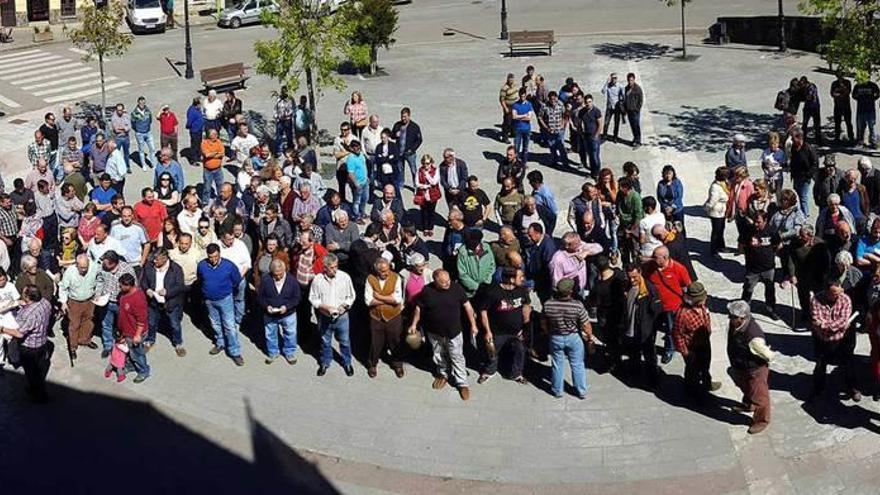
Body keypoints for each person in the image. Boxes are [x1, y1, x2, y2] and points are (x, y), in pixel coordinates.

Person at [409, 270, 478, 401]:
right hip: (434, 332)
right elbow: (419, 308)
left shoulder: (456, 288)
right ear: (435, 281)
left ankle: (462, 382)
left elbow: (468, 306)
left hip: (454, 332)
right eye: (443, 282)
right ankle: (443, 374)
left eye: (448, 281)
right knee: (438, 354)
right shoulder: (427, 291)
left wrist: (473, 325)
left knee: (457, 356)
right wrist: (414, 324)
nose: (447, 284)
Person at [726, 300, 774, 434]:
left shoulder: (754, 337)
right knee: (745, 386)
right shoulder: (736, 325)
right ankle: (749, 404)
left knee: (760, 397)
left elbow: (768, 355)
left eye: (733, 317)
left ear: (743, 318)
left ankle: (761, 420)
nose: (730, 319)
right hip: (740, 366)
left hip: (754, 370)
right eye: (730, 315)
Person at [0, 284, 53, 402]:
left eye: (24, 294)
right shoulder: (45, 302)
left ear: (28, 297)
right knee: (38, 368)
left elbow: (19, 334)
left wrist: (2, 329)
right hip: (42, 342)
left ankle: (40, 396)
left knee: (32, 372)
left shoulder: (29, 314)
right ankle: (36, 388)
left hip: (30, 347)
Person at [810, 278, 859, 401]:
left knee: (848, 364)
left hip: (841, 339)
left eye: (839, 292)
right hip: (822, 339)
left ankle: (851, 388)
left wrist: (824, 325)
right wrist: (834, 326)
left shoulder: (845, 299)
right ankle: (818, 388)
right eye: (834, 294)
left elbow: (843, 321)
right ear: (826, 292)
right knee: (820, 364)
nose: (838, 295)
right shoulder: (815, 300)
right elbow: (816, 318)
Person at [542, 278, 591, 399]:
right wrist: (589, 337)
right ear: (570, 291)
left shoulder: (548, 304)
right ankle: (581, 391)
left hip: (555, 337)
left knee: (557, 364)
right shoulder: (577, 306)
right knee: (577, 364)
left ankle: (557, 390)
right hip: (573, 337)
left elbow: (543, 322)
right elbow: (586, 325)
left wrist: (548, 332)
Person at [309, 253, 356, 377]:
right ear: (325, 267)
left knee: (345, 341)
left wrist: (344, 306)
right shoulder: (318, 279)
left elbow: (351, 296)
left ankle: (347, 362)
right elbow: (313, 298)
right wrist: (324, 307)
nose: (335, 269)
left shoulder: (345, 277)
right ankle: (325, 362)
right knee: (325, 341)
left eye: (336, 266)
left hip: (342, 317)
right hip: (325, 317)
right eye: (332, 267)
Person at [198, 243, 244, 366]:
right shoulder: (202, 265)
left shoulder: (228, 266)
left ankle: (235, 351)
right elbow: (200, 279)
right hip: (209, 300)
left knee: (229, 326)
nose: (213, 260)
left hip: (225, 299)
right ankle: (220, 343)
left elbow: (237, 281)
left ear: (219, 254)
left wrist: (227, 290)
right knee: (215, 323)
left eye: (216, 256)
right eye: (211, 257)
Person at [644, 245, 691, 364]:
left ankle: (669, 349)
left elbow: (687, 285)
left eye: (656, 257)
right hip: (655, 305)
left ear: (665, 258)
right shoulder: (650, 266)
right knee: (652, 327)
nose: (653, 259)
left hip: (672, 306)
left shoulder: (678, 268)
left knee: (671, 330)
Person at [672, 282, 721, 396]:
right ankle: (692, 392)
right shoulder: (682, 314)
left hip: (704, 342)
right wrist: (686, 353)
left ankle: (707, 383)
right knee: (692, 371)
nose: (704, 300)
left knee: (705, 365)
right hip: (692, 348)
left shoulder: (701, 305)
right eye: (700, 299)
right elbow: (677, 334)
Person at [621, 263, 662, 385]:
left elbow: (657, 311)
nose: (632, 280)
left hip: (645, 331)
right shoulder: (626, 287)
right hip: (630, 329)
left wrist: (650, 328)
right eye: (629, 277)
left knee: (649, 356)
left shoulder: (649, 290)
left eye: (635, 277)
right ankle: (635, 374)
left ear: (640, 273)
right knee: (633, 355)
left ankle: (652, 379)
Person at [364, 257, 405, 378]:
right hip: (376, 317)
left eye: (387, 270)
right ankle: (372, 364)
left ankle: (397, 363)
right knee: (375, 342)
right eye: (382, 271)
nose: (386, 273)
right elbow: (368, 301)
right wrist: (388, 299)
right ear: (377, 270)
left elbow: (397, 299)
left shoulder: (395, 277)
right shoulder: (370, 279)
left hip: (394, 316)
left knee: (395, 341)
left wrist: (379, 297)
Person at [141, 248, 186, 356]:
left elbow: (180, 286)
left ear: (165, 259)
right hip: (153, 302)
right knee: (151, 323)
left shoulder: (176, 269)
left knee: (174, 324)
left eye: (157, 260)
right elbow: (143, 281)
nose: (154, 262)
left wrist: (168, 292)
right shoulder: (149, 267)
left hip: (170, 302)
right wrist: (147, 289)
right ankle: (150, 340)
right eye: (154, 260)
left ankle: (178, 343)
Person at [94, 250, 137, 357]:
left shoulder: (127, 270)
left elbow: (134, 287)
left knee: (124, 326)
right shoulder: (102, 267)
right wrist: (98, 294)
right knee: (106, 324)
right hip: (106, 301)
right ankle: (108, 346)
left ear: (114, 263)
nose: (104, 265)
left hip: (121, 303)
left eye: (107, 263)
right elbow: (100, 280)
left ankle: (125, 346)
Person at [259, 259, 301, 365]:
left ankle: (289, 352)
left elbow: (297, 298)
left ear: (284, 270)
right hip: (270, 314)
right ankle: (273, 352)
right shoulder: (265, 280)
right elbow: (260, 297)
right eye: (275, 275)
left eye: (280, 274)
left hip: (288, 313)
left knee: (290, 333)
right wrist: (266, 306)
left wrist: (286, 307)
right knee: (270, 334)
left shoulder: (292, 280)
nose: (278, 277)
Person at [739, 212, 781, 320]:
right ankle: (744, 310)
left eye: (759, 222)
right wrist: (749, 256)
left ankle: (770, 309)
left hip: (768, 268)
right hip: (753, 268)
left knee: (770, 289)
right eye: (755, 221)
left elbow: (778, 245)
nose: (756, 224)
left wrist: (770, 255)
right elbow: (741, 246)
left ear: (765, 221)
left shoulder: (771, 231)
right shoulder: (748, 231)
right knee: (748, 289)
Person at [58, 254, 98, 360]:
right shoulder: (70, 272)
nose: (84, 270)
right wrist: (63, 302)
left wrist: (98, 294)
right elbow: (63, 288)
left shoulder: (94, 267)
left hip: (89, 300)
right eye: (82, 268)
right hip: (75, 302)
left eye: (86, 267)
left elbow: (100, 279)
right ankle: (73, 347)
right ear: (76, 265)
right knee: (74, 325)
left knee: (88, 321)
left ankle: (85, 340)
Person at [116, 273, 150, 382]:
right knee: (130, 352)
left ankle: (144, 371)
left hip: (134, 333)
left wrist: (137, 335)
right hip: (126, 330)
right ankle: (130, 366)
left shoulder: (138, 299)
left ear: (128, 286)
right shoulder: (123, 294)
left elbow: (141, 320)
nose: (119, 288)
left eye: (121, 286)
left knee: (137, 354)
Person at [456, 228, 495, 299]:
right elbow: (462, 273)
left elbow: (492, 266)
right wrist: (476, 286)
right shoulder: (463, 251)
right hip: (469, 292)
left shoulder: (486, 247)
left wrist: (487, 281)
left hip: (486, 287)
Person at [789, 128, 819, 216]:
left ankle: (805, 215)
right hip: (796, 176)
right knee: (797, 196)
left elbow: (815, 163)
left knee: (803, 197)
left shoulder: (808, 149)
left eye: (793, 138)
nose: (791, 140)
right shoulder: (794, 147)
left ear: (799, 138)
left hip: (805, 178)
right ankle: (800, 213)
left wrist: (808, 175)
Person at [391, 108, 423, 189]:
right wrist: (395, 134)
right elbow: (392, 135)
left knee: (413, 170)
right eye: (402, 117)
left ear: (409, 116)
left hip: (410, 154)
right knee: (400, 170)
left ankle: (416, 186)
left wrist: (412, 149)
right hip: (399, 152)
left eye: (405, 117)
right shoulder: (397, 125)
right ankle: (401, 184)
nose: (403, 119)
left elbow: (419, 140)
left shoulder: (414, 127)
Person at [704, 167, 730, 260]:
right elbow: (712, 201)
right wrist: (707, 210)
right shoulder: (715, 187)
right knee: (716, 231)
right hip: (716, 212)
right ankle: (714, 250)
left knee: (721, 229)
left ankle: (721, 246)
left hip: (722, 211)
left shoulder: (724, 183)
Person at [538, 91, 568, 167]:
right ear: (549, 99)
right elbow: (540, 117)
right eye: (551, 99)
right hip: (550, 130)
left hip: (559, 130)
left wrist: (563, 124)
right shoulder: (545, 106)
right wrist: (545, 127)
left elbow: (565, 115)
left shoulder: (560, 105)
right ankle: (554, 161)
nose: (553, 101)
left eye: (555, 99)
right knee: (552, 147)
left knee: (561, 146)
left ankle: (565, 162)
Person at [577, 94, 603, 177]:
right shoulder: (582, 112)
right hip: (586, 136)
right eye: (587, 102)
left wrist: (596, 135)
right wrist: (581, 133)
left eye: (590, 102)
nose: (588, 104)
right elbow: (579, 123)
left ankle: (597, 173)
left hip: (594, 136)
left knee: (595, 156)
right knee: (590, 155)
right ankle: (593, 172)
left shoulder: (596, 111)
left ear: (592, 101)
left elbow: (600, 124)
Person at [852, 77, 880, 148]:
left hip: (870, 110)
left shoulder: (873, 85)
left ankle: (873, 142)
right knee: (860, 127)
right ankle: (860, 141)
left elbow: (878, 94)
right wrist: (859, 99)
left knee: (872, 127)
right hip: (860, 109)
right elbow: (853, 95)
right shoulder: (858, 86)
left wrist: (872, 99)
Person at [131, 96, 156, 170]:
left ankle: (152, 163)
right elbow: (133, 123)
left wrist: (147, 127)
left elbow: (150, 120)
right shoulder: (134, 113)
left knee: (152, 149)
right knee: (141, 150)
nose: (142, 104)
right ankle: (143, 165)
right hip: (140, 133)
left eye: (144, 103)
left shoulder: (147, 111)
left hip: (148, 132)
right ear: (138, 103)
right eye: (141, 103)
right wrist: (138, 130)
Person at [511, 87, 534, 163]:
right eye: (521, 96)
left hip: (526, 129)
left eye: (523, 96)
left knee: (525, 148)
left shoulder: (529, 104)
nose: (522, 98)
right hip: (518, 129)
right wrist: (524, 115)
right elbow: (514, 116)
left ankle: (524, 162)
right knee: (516, 147)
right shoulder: (515, 105)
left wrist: (519, 117)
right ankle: (516, 162)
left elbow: (529, 118)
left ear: (526, 95)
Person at [831, 72, 855, 143]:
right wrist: (839, 95)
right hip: (837, 106)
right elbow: (832, 93)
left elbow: (848, 92)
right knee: (837, 123)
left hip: (846, 106)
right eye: (838, 76)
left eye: (841, 76)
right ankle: (837, 138)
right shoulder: (834, 83)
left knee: (848, 122)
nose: (839, 77)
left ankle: (851, 137)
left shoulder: (847, 82)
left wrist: (843, 87)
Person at [600, 72, 625, 141]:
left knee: (616, 122)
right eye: (613, 78)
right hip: (609, 106)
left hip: (617, 107)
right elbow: (603, 91)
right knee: (606, 122)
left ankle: (615, 137)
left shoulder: (620, 86)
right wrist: (606, 82)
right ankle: (605, 135)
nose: (614, 80)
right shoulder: (608, 86)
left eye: (615, 78)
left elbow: (623, 96)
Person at [623, 72, 644, 147]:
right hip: (629, 111)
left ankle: (638, 141)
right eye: (629, 80)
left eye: (631, 80)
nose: (630, 82)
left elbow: (640, 100)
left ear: (634, 80)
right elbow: (625, 99)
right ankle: (635, 139)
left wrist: (637, 109)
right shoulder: (626, 88)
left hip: (635, 111)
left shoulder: (637, 89)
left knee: (636, 126)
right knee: (632, 126)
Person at [110, 104, 132, 171]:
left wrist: (122, 128)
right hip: (118, 138)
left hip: (126, 137)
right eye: (118, 110)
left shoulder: (126, 116)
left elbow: (129, 127)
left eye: (121, 110)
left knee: (126, 153)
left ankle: (127, 167)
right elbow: (116, 130)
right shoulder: (114, 118)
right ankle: (117, 167)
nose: (120, 112)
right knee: (116, 153)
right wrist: (124, 127)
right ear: (116, 110)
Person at [274, 86, 295, 154]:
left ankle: (290, 148)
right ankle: (279, 150)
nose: (283, 93)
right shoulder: (278, 99)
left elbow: (293, 109)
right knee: (279, 135)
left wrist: (288, 114)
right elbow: (275, 108)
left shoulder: (290, 99)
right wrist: (276, 116)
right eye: (282, 91)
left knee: (289, 135)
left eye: (285, 91)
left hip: (287, 120)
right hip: (280, 120)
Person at [499, 73, 518, 144]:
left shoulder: (515, 86)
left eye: (512, 79)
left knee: (514, 120)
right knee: (507, 122)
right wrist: (505, 108)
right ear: (507, 79)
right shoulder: (504, 88)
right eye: (510, 79)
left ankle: (513, 133)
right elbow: (502, 99)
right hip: (508, 106)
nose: (511, 80)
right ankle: (505, 137)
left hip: (515, 105)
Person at [185, 97, 204, 166]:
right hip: (194, 131)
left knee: (199, 144)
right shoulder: (192, 111)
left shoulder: (197, 109)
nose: (200, 106)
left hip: (199, 130)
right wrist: (188, 126)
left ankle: (198, 157)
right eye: (200, 104)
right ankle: (193, 160)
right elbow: (189, 122)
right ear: (197, 104)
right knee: (194, 145)